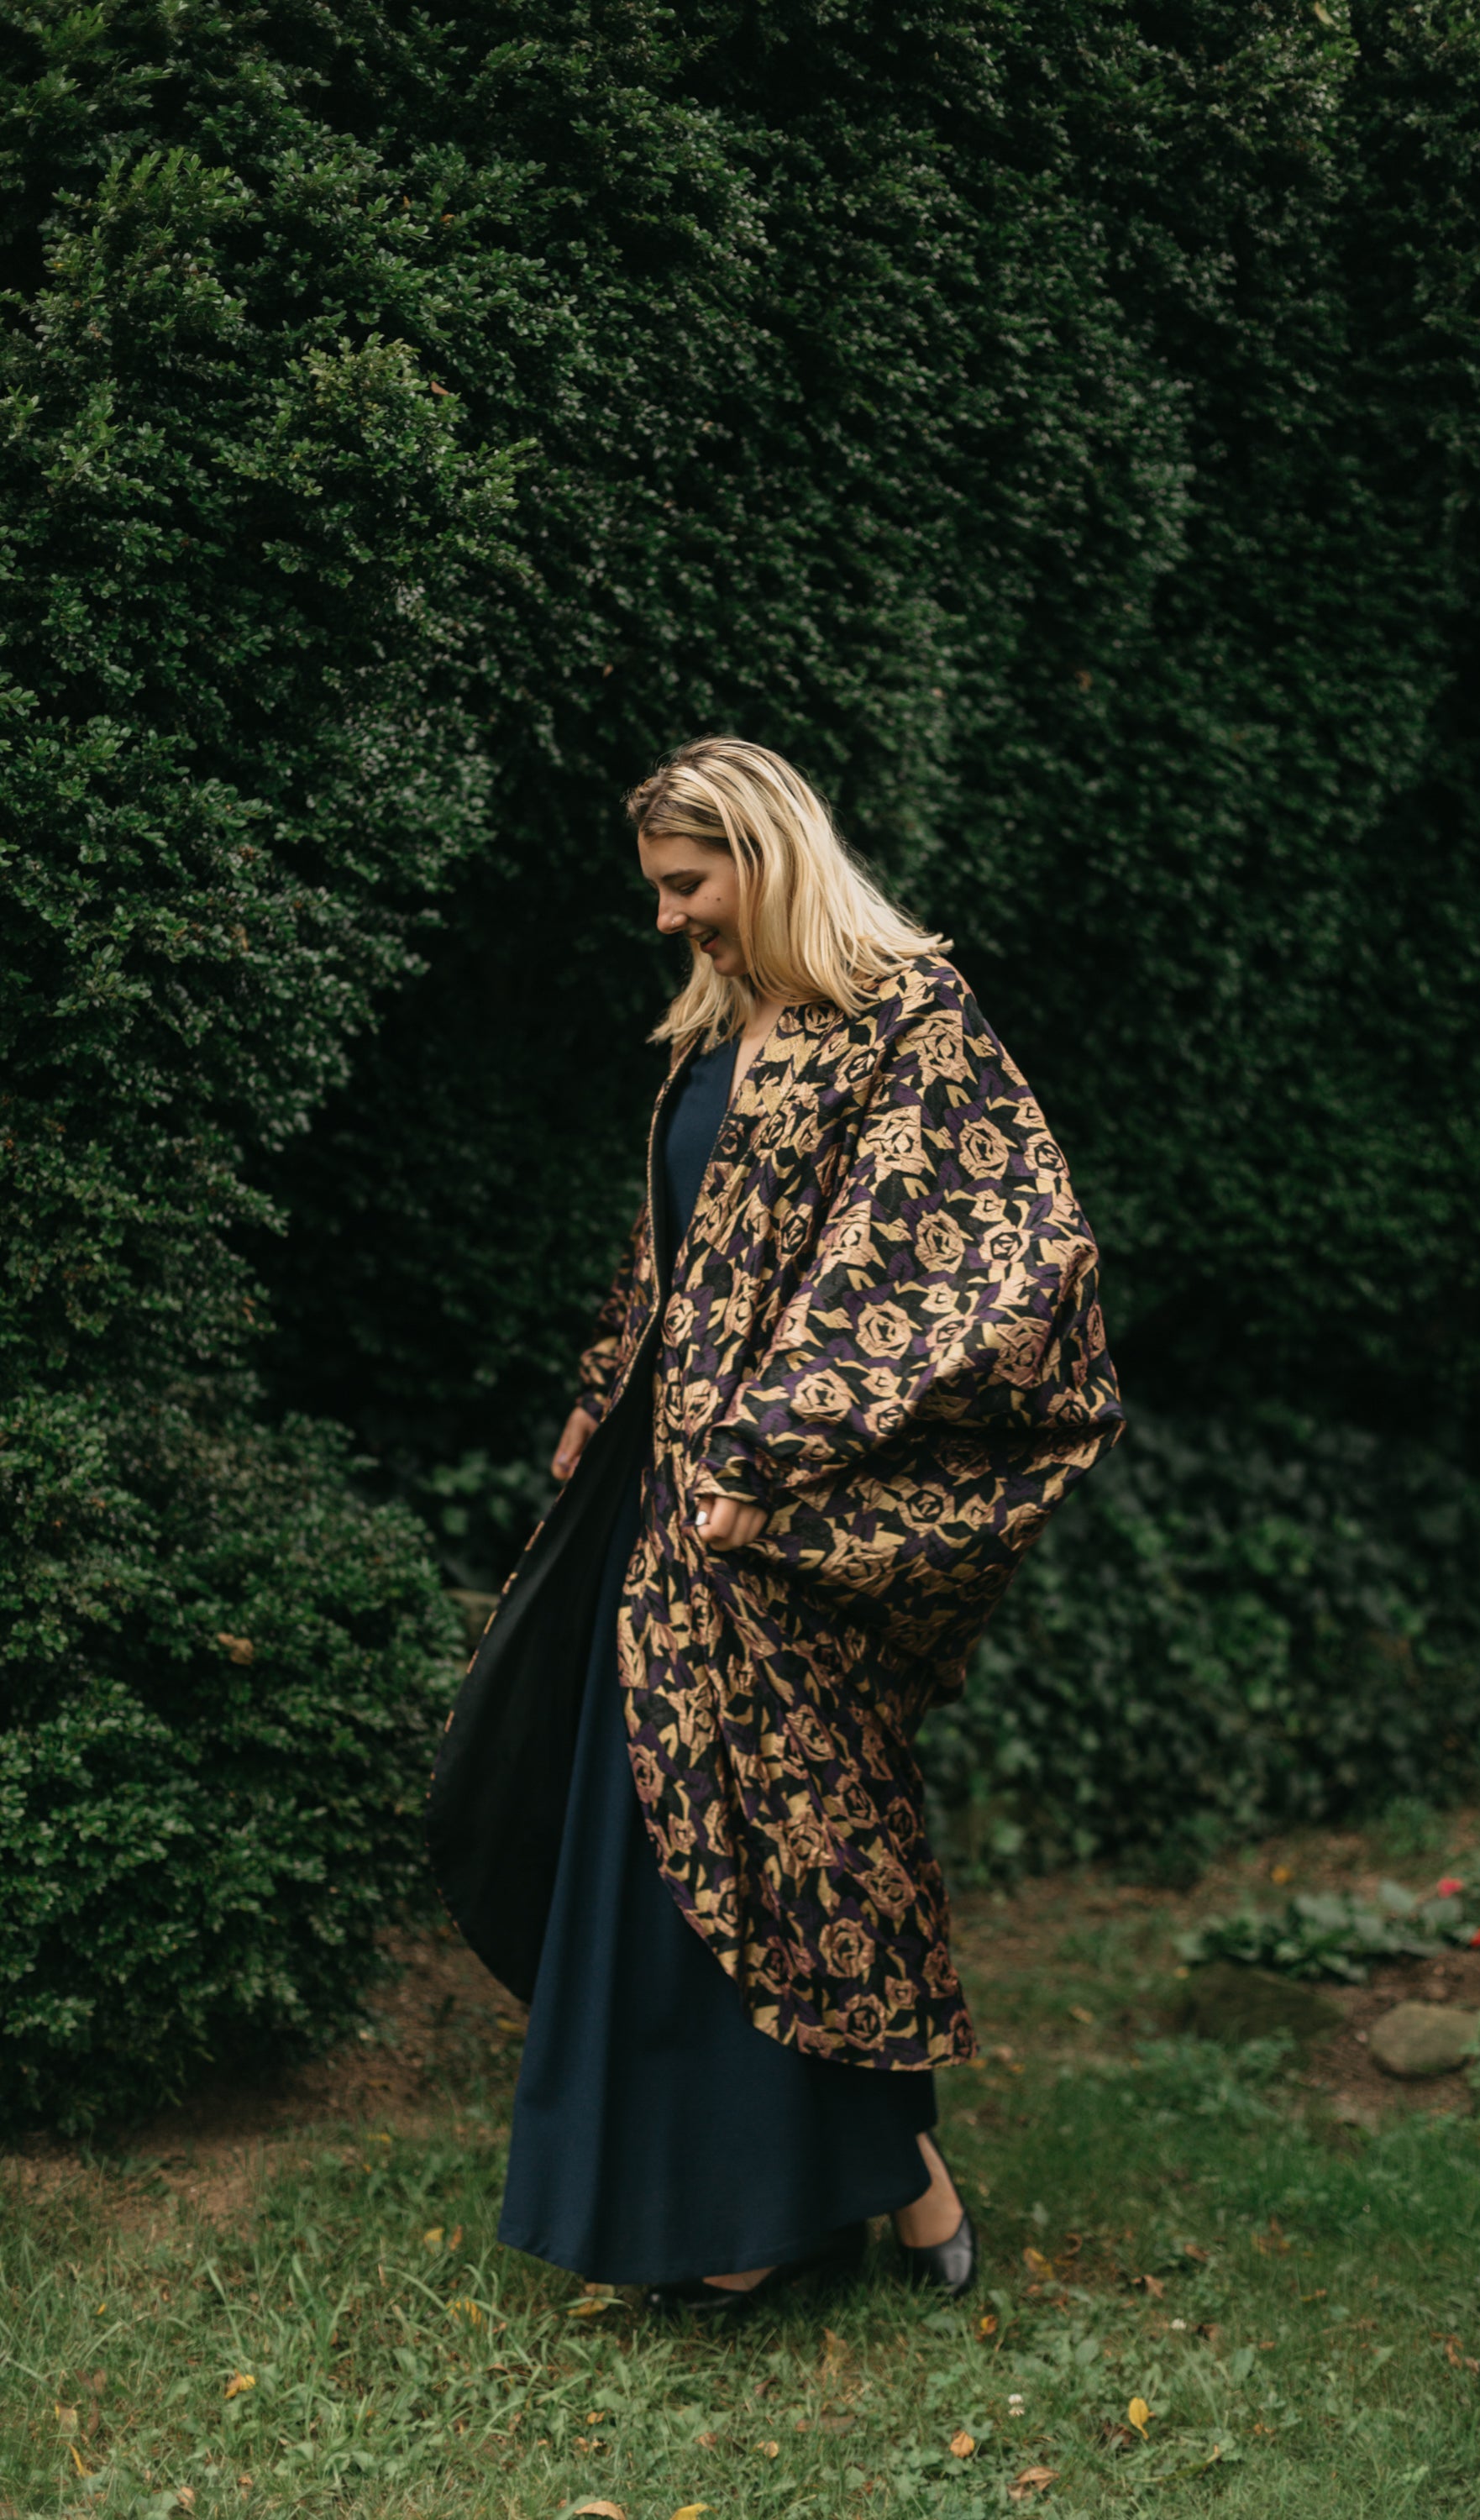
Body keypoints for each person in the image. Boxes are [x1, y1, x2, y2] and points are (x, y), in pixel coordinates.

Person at [428, 737, 1123, 2315]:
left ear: (768, 855)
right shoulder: (715, 1029)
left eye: (689, 885)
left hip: (780, 1514)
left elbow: (978, 1266)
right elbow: (677, 1257)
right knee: (672, 1848)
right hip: (665, 1503)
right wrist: (608, 1390)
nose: (669, 919)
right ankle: (828, 2202)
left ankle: (802, 2211)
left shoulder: (910, 1024)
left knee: (784, 1858)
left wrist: (779, 1444)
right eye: (661, 891)